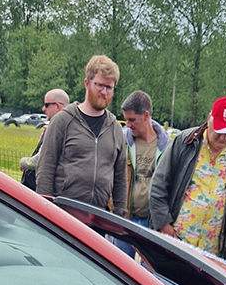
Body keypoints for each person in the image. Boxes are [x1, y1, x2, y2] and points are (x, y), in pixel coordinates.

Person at [149, 96, 226, 259]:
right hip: (175, 242)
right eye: (220, 131)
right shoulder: (185, 142)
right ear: (209, 120)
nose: (224, 138)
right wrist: (163, 226)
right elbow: (158, 185)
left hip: (212, 253)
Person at [36, 56, 126, 216]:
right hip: (63, 215)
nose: (104, 92)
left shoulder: (115, 129)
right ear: (87, 83)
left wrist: (119, 217)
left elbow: (120, 179)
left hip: (98, 220)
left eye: (109, 87)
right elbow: (45, 169)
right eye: (100, 85)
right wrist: (46, 213)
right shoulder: (63, 121)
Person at [122, 89, 169, 229]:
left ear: (146, 116)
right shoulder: (122, 142)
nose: (128, 125)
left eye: (132, 120)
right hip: (125, 219)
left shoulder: (167, 147)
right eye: (126, 120)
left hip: (153, 223)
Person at [19, 88, 68, 190]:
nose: (43, 109)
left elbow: (41, 159)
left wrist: (23, 162)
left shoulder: (61, 129)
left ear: (58, 106)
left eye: (46, 105)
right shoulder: (63, 126)